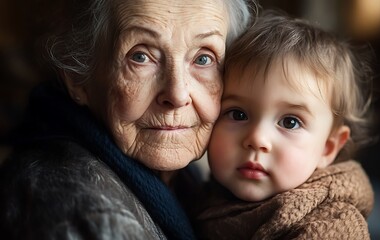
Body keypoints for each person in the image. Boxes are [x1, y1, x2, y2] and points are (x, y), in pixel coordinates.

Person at [0, 0, 257, 239]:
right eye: (141, 56)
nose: (177, 95)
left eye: (204, 59)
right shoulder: (88, 216)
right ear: (78, 78)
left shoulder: (193, 186)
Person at [194, 10, 375, 239]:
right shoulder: (201, 195)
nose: (257, 139)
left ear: (328, 148)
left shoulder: (330, 227)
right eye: (238, 114)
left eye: (290, 122)